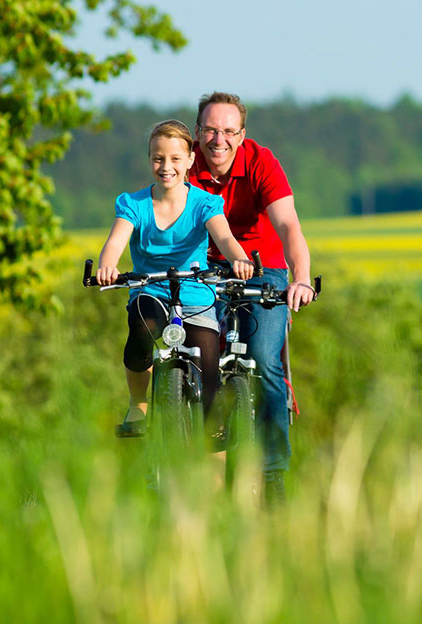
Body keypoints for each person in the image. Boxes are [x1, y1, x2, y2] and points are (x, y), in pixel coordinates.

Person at [188, 92, 316, 505]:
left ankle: (273, 471)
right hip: (202, 269)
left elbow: (289, 225)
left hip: (264, 270)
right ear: (197, 132)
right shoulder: (183, 162)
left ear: (242, 135)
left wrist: (301, 278)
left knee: (264, 360)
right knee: (191, 357)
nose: (217, 139)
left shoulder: (261, 163)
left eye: (228, 131)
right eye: (209, 129)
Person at [95, 120, 254, 437]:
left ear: (191, 160)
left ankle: (211, 422)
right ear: (149, 159)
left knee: (208, 355)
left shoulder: (205, 203)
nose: (166, 166)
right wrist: (107, 266)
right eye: (158, 158)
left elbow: (224, 239)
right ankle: (137, 404)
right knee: (140, 330)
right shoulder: (133, 204)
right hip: (149, 289)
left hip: (196, 293)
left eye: (175, 159)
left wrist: (240, 260)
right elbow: (115, 243)